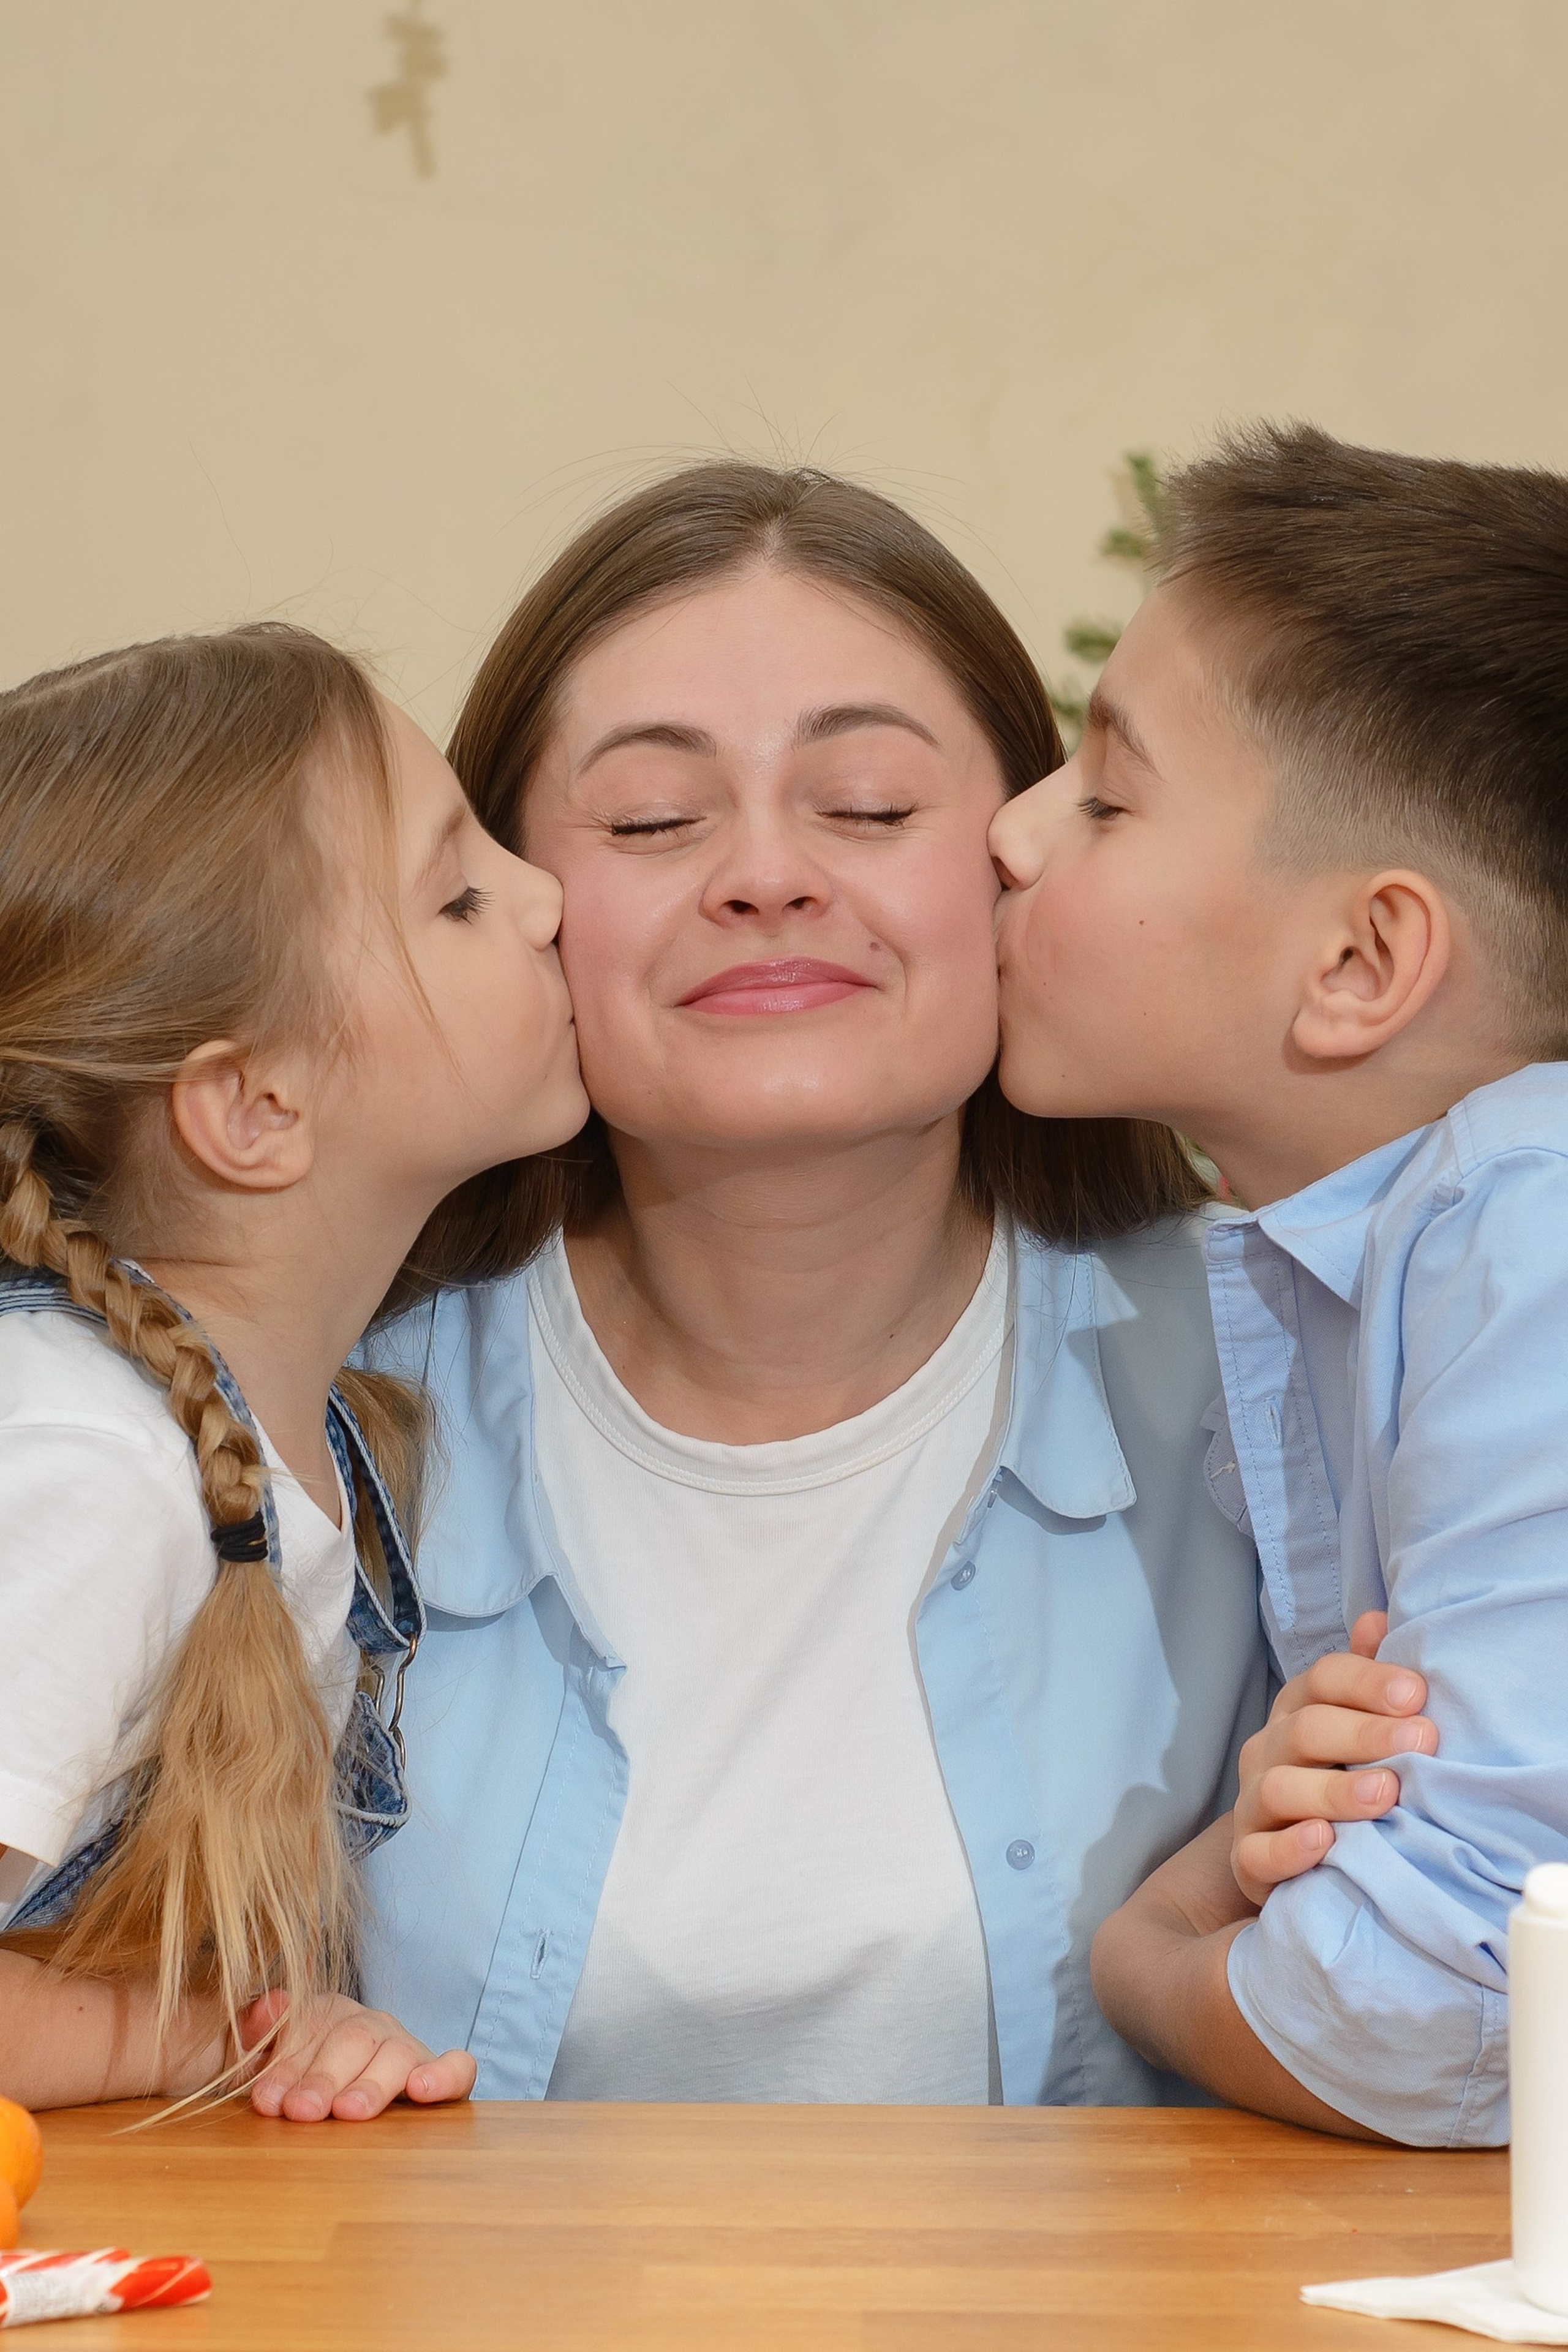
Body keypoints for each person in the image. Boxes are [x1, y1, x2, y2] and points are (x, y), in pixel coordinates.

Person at [361, 461, 1398, 2108]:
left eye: (866, 806)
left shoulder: (1311, 1375)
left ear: (1030, 865)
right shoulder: (321, 1428)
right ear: (508, 903)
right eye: (650, 819)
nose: (767, 876)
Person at [990, 421, 1568, 2147]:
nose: (1011, 836)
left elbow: (1454, 2006)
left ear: (1361, 963)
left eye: (1104, 795)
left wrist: (1152, 1952)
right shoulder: (1399, 1250)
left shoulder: (1525, 1222)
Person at [0, 623, 587, 2116]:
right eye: (457, 896)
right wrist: (233, 2033)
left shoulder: (297, 1427)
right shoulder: (91, 1475)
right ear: (254, 1106)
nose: (544, 896)